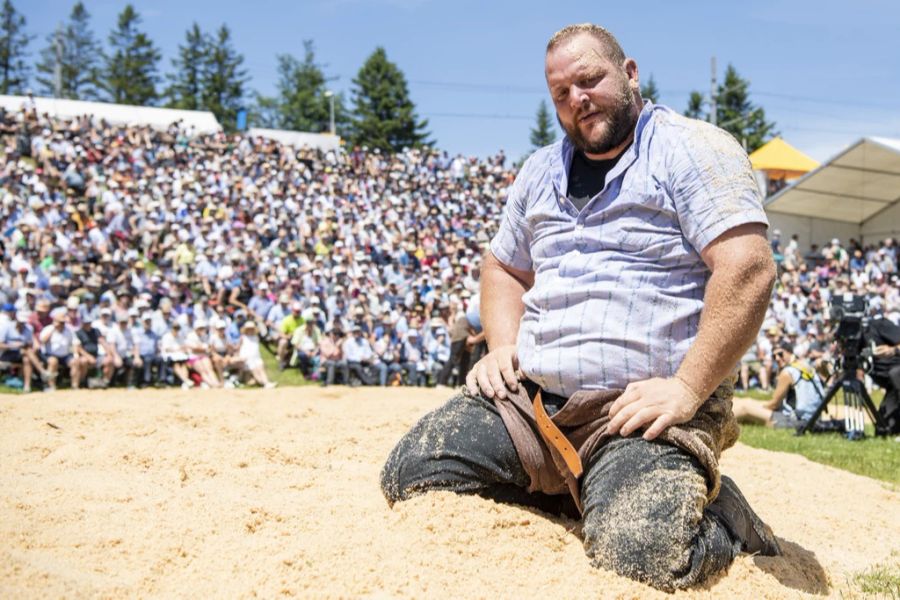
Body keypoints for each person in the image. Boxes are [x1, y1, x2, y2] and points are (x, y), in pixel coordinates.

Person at [380, 24, 780, 592]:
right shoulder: (540, 170)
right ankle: (594, 494)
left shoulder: (692, 148)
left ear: (630, 73)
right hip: (537, 404)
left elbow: (748, 267)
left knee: (642, 555)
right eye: (561, 94)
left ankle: (719, 520)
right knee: (413, 472)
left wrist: (688, 388)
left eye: (588, 80)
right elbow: (503, 266)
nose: (577, 99)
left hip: (642, 411)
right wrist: (501, 347)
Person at [732, 343, 825, 428]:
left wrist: (760, 408)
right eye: (774, 356)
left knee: (746, 409)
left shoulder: (787, 372)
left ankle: (719, 422)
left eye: (780, 354)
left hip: (796, 421)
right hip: (815, 418)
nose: (777, 358)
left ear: (790, 352)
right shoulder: (806, 366)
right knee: (752, 409)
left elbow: (774, 405)